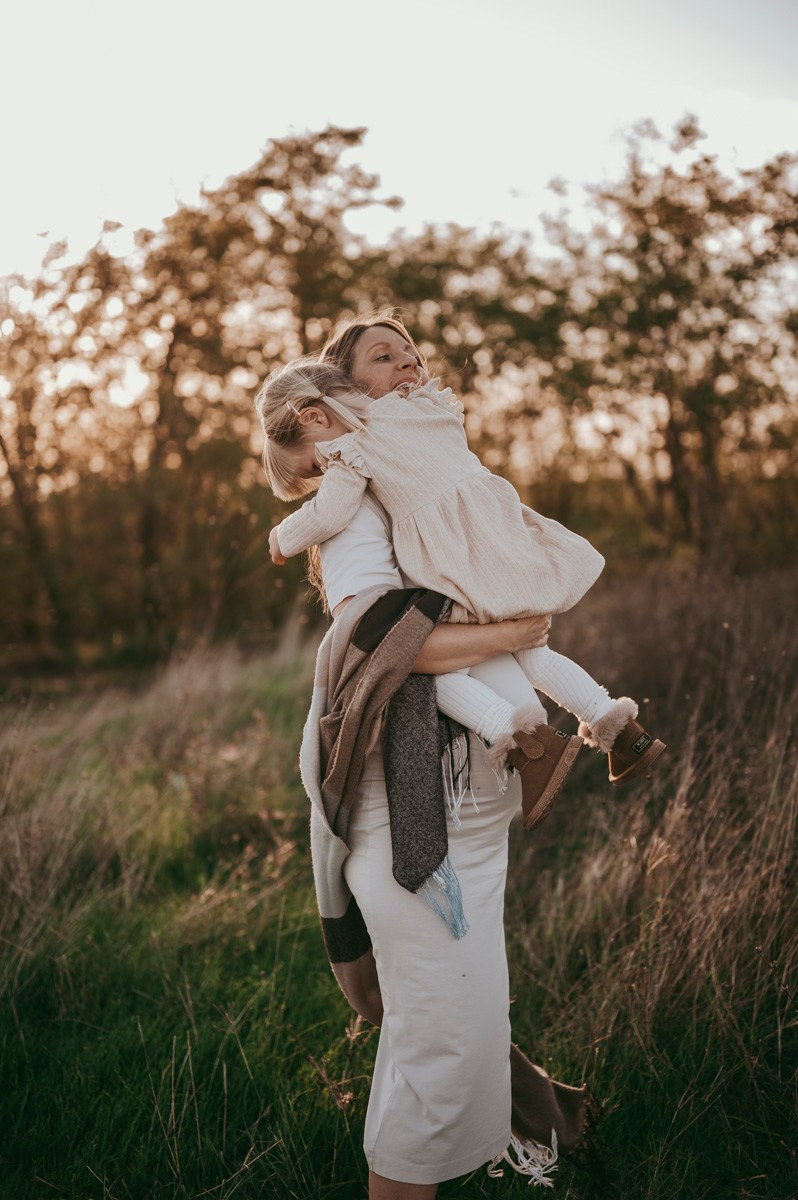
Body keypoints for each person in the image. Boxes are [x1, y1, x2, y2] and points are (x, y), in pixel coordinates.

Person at [255, 316, 664, 823]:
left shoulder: (352, 443)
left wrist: (283, 538)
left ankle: (526, 744)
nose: (409, 361)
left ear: (315, 418)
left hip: (456, 559)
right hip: (502, 540)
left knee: (412, 663)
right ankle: (618, 728)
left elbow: (333, 511)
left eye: (311, 467)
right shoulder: (429, 410)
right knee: (529, 652)